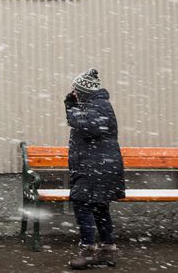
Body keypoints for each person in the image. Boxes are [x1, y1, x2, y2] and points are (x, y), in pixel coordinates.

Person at [65, 69, 125, 270]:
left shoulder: (98, 106)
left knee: (82, 204)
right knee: (100, 208)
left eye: (76, 89)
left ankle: (89, 251)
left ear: (83, 90)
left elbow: (86, 127)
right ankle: (107, 252)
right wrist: (73, 107)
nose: (73, 92)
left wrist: (71, 108)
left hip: (96, 167)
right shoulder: (97, 105)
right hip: (98, 166)